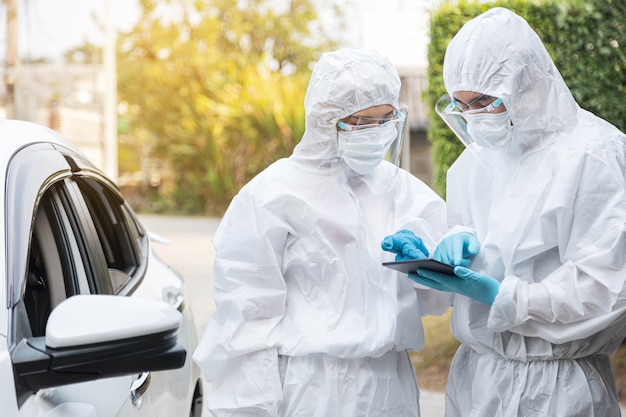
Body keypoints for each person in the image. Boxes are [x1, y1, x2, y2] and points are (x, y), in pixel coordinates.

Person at [383, 7, 626, 416]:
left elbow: (607, 287)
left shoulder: (595, 154)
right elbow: (486, 237)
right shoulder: (477, 160)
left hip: (558, 388)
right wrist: (447, 246)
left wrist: (509, 299)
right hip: (476, 379)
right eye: (462, 105)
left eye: (483, 102)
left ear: (527, 82)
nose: (475, 119)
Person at [192, 48, 452, 416]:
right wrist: (251, 407)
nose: (377, 134)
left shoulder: (398, 188)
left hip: (389, 382)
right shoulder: (273, 194)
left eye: (386, 119)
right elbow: (247, 316)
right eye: (362, 122)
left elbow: (439, 297)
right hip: (311, 387)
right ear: (327, 119)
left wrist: (437, 263)